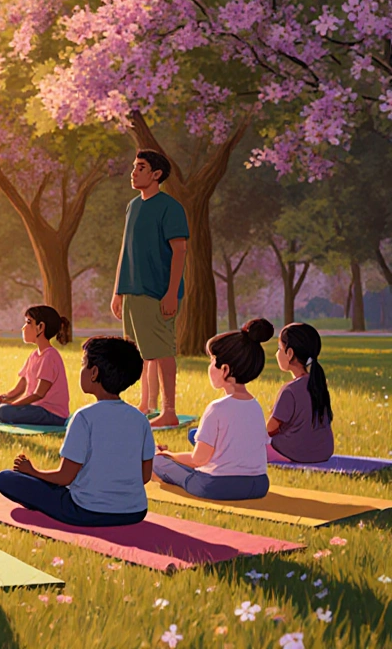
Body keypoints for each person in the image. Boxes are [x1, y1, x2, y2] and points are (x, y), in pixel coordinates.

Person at [0, 336, 153, 527]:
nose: (81, 370)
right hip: (134, 512)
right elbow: (144, 477)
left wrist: (33, 472)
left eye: (83, 364)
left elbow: (64, 478)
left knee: (6, 479)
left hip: (84, 511)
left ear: (94, 373)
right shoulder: (140, 420)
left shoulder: (84, 417)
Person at [153, 319, 273, 501]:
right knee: (195, 434)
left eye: (212, 360)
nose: (209, 366)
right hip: (259, 485)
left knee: (159, 462)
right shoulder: (255, 406)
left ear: (224, 369)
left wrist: (169, 455)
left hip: (217, 486)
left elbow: (198, 460)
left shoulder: (216, 409)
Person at [110, 151, 188, 427]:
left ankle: (169, 410)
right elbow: (125, 249)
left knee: (162, 350)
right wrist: (118, 290)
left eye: (140, 168)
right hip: (132, 290)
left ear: (156, 174)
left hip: (157, 291)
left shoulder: (170, 208)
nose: (134, 172)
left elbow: (179, 251)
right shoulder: (133, 206)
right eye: (134, 167)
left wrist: (171, 292)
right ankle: (146, 404)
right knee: (142, 353)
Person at [0, 306, 72, 426]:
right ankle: (6, 414)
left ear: (41, 327)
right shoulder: (33, 356)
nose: (23, 328)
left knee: (3, 411)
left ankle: (6, 414)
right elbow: (20, 389)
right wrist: (2, 398)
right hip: (33, 408)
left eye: (28, 322)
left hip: (51, 413)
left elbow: (39, 394)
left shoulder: (50, 356)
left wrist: (13, 405)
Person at [267, 322, 334, 463]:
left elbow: (270, 428)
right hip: (324, 451)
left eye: (279, 348)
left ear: (289, 353)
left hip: (294, 452)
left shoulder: (289, 391)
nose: (276, 353)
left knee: (252, 448)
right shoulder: (319, 385)